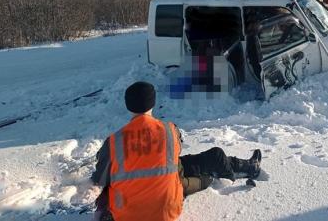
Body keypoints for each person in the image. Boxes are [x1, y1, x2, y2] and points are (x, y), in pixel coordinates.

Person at [91, 81, 262, 221]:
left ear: (128, 106)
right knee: (203, 165)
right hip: (168, 209)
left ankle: (229, 170)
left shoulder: (113, 142)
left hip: (126, 215)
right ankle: (240, 169)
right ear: (153, 102)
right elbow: (176, 155)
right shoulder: (169, 130)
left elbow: (99, 179)